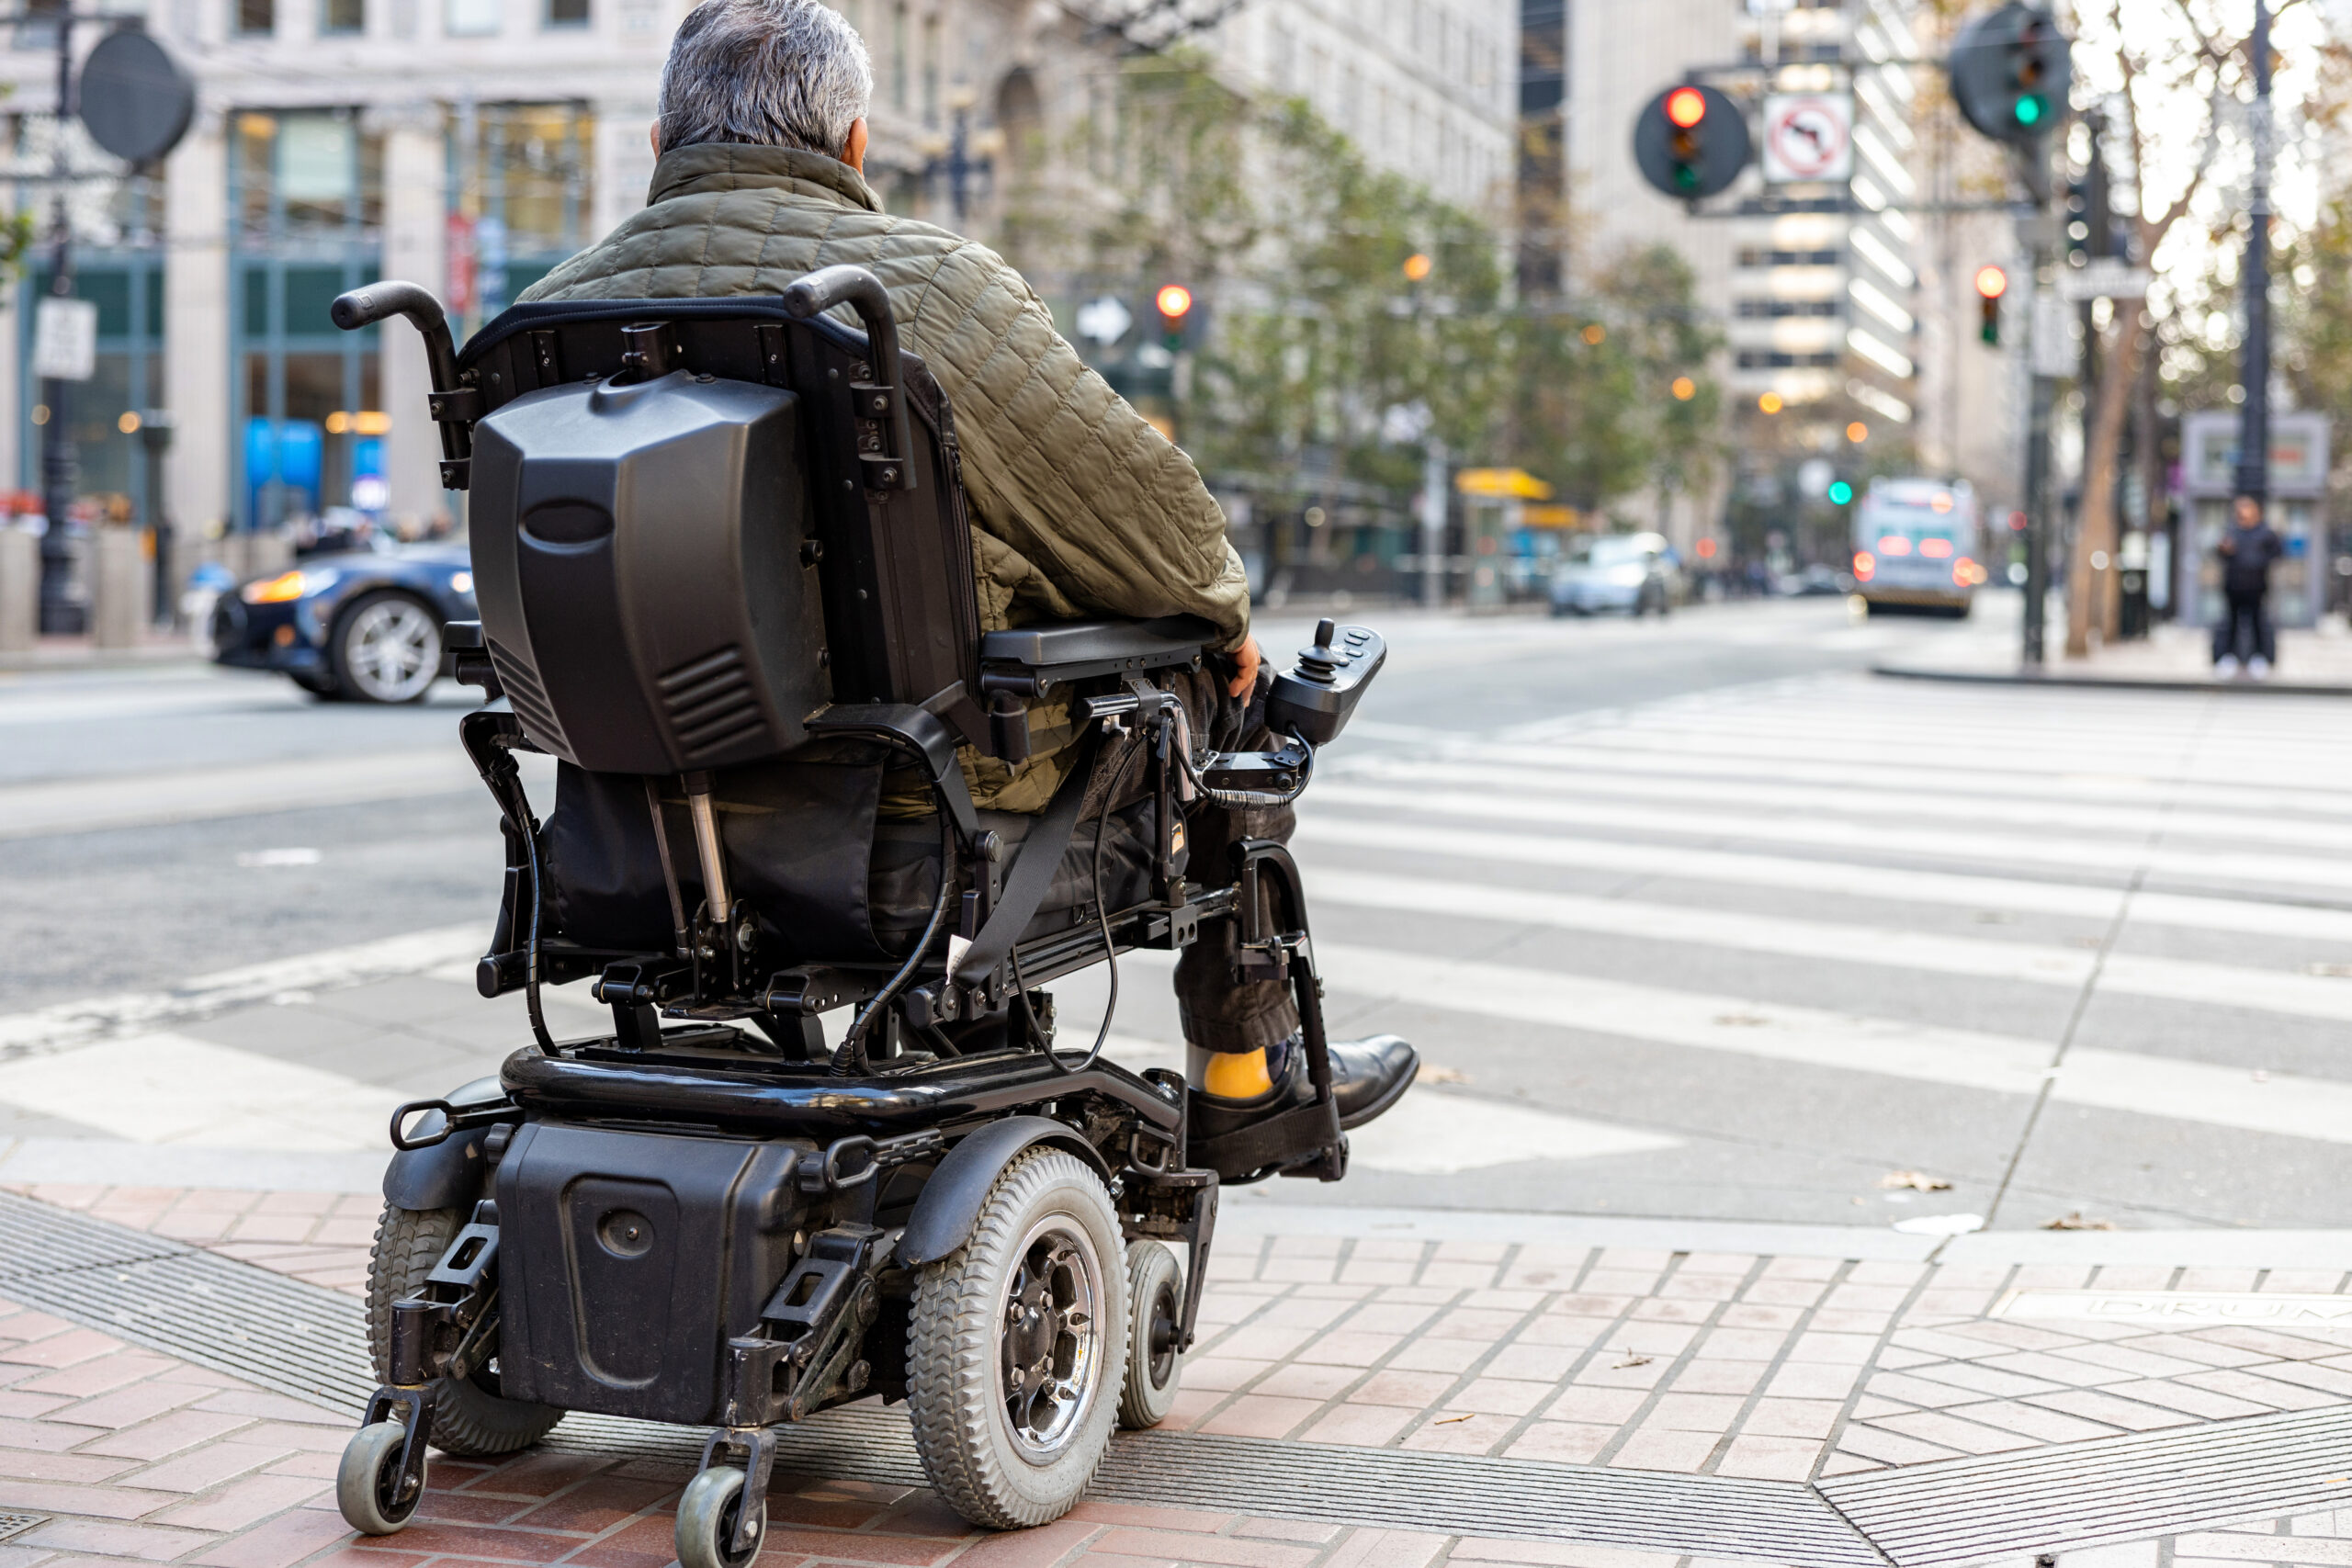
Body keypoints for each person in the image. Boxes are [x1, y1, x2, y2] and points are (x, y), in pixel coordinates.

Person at [517, 0, 1416, 1176]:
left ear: (656, 145)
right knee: (1220, 705)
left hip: (620, 837)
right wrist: (1224, 632)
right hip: (919, 828)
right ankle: (1247, 1079)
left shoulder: (541, 320)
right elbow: (1154, 527)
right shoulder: (920, 293)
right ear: (851, 144)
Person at [2213, 494, 2284, 679]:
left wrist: (2255, 561)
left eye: (2246, 507)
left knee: (2258, 622)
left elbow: (2277, 553)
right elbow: (2220, 554)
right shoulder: (2232, 530)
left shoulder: (2265, 533)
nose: (2242, 512)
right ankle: (2227, 658)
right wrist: (2223, 549)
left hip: (2256, 586)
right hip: (2233, 586)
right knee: (2230, 623)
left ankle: (2260, 659)